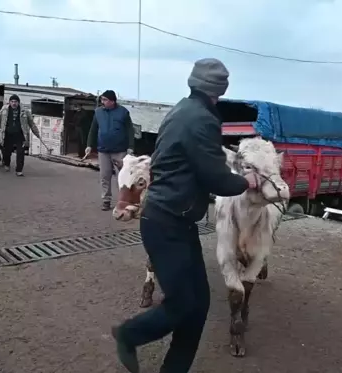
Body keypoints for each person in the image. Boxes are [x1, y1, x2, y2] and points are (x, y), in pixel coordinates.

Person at [110, 58, 260, 373]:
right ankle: (128, 334)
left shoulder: (179, 110)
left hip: (174, 220)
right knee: (180, 304)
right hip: (167, 223)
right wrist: (247, 181)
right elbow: (216, 177)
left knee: (198, 305)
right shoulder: (202, 120)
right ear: (218, 90)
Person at [85, 90, 135, 211]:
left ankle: (122, 201)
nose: (102, 102)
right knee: (104, 176)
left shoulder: (123, 112)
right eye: (102, 99)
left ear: (112, 101)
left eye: (105, 100)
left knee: (122, 177)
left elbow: (130, 130)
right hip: (103, 150)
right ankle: (106, 200)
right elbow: (93, 129)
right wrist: (89, 145)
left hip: (120, 150)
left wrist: (131, 147)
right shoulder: (98, 112)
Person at [0, 94, 41, 177]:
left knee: (20, 153)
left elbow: (31, 124)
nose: (14, 103)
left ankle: (19, 170)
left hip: (20, 135)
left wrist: (37, 133)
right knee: (6, 152)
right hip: (7, 135)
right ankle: (7, 164)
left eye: (15, 102)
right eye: (12, 101)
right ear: (9, 102)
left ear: (18, 103)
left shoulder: (25, 111)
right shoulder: (4, 110)